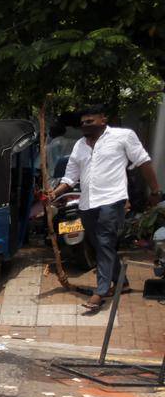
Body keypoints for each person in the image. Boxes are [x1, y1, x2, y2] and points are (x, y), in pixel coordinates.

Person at [46, 103, 161, 313]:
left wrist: (155, 191)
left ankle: (100, 292)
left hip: (113, 199)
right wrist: (55, 193)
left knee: (105, 240)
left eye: (90, 121)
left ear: (103, 120)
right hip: (87, 202)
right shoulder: (80, 145)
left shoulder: (123, 136)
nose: (85, 125)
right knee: (99, 244)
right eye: (82, 123)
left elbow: (143, 162)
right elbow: (71, 176)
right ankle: (122, 282)